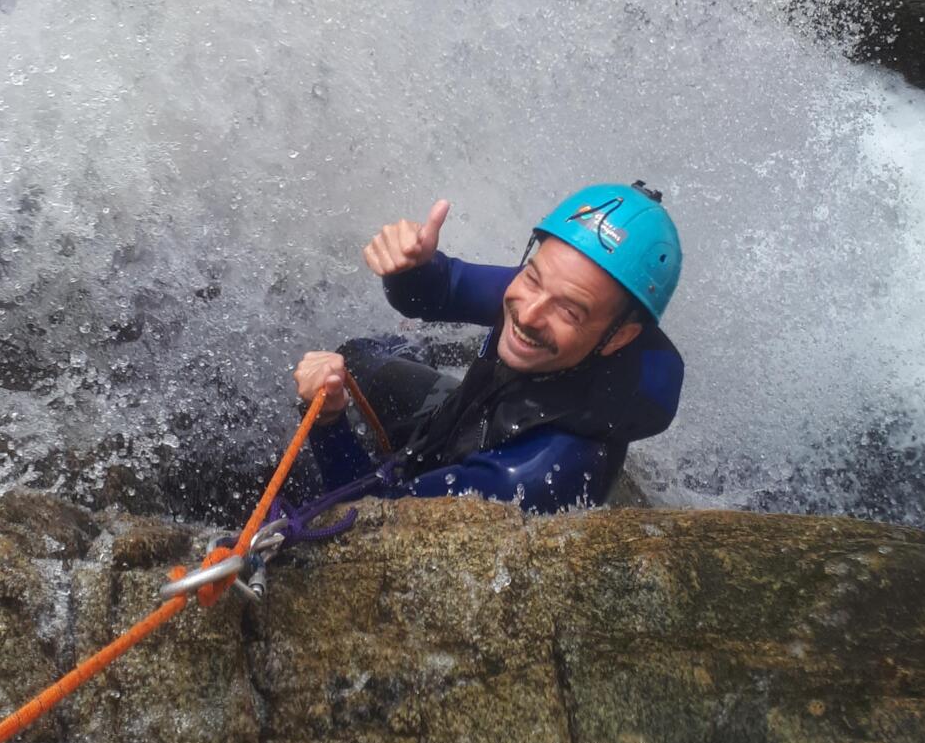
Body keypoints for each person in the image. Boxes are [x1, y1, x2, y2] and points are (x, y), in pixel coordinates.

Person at [292, 183, 684, 513]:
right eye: (532, 277)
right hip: (458, 423)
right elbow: (443, 289)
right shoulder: (561, 293)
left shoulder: (539, 472)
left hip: (472, 481)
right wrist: (411, 268)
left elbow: (368, 519)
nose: (528, 313)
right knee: (356, 357)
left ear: (619, 337)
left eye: (568, 311)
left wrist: (329, 424)